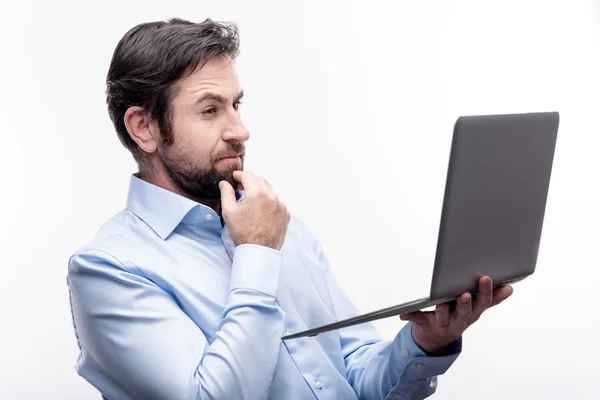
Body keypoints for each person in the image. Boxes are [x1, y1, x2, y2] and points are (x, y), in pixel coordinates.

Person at [67, 18, 513, 400]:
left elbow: (352, 370)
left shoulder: (280, 226)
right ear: (143, 127)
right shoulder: (108, 269)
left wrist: (425, 342)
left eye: (236, 104)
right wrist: (257, 254)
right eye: (209, 110)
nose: (240, 130)